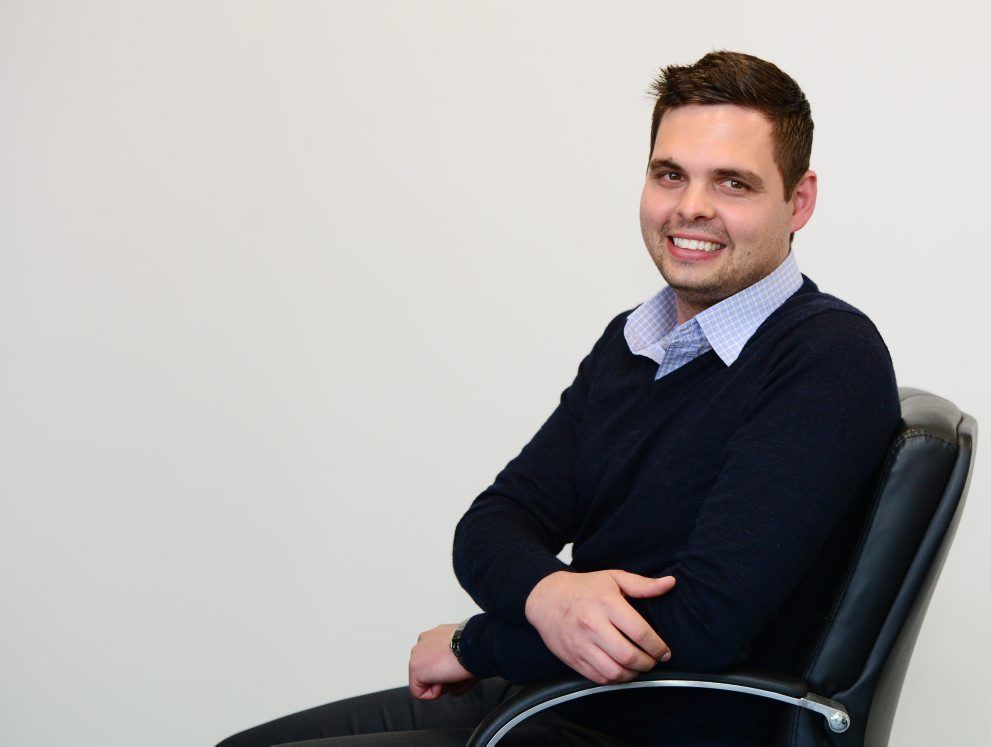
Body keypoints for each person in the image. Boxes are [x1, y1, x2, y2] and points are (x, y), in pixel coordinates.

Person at [219, 50, 900, 746]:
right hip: (555, 698)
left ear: (798, 200)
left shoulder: (824, 358)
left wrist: (474, 644)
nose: (690, 206)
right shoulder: (635, 340)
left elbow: (701, 625)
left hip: (648, 730)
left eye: (731, 182)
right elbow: (493, 521)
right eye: (670, 174)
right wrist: (550, 593)